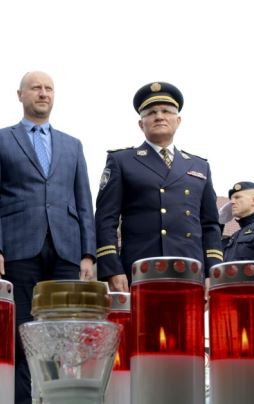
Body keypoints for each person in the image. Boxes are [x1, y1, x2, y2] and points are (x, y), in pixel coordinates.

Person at [0, 71, 96, 404]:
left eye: (48, 89)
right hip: (17, 249)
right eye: (36, 88)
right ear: (20, 95)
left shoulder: (72, 145)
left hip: (65, 250)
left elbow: (84, 201)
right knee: (19, 339)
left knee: (62, 343)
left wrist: (88, 253)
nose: (43, 93)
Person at [95, 82, 223, 290]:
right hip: (141, 268)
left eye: (166, 111)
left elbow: (210, 225)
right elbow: (105, 219)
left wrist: (213, 271)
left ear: (178, 121)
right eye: (151, 112)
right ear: (141, 124)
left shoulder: (199, 166)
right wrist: (112, 268)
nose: (159, 116)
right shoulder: (122, 161)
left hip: (190, 270)